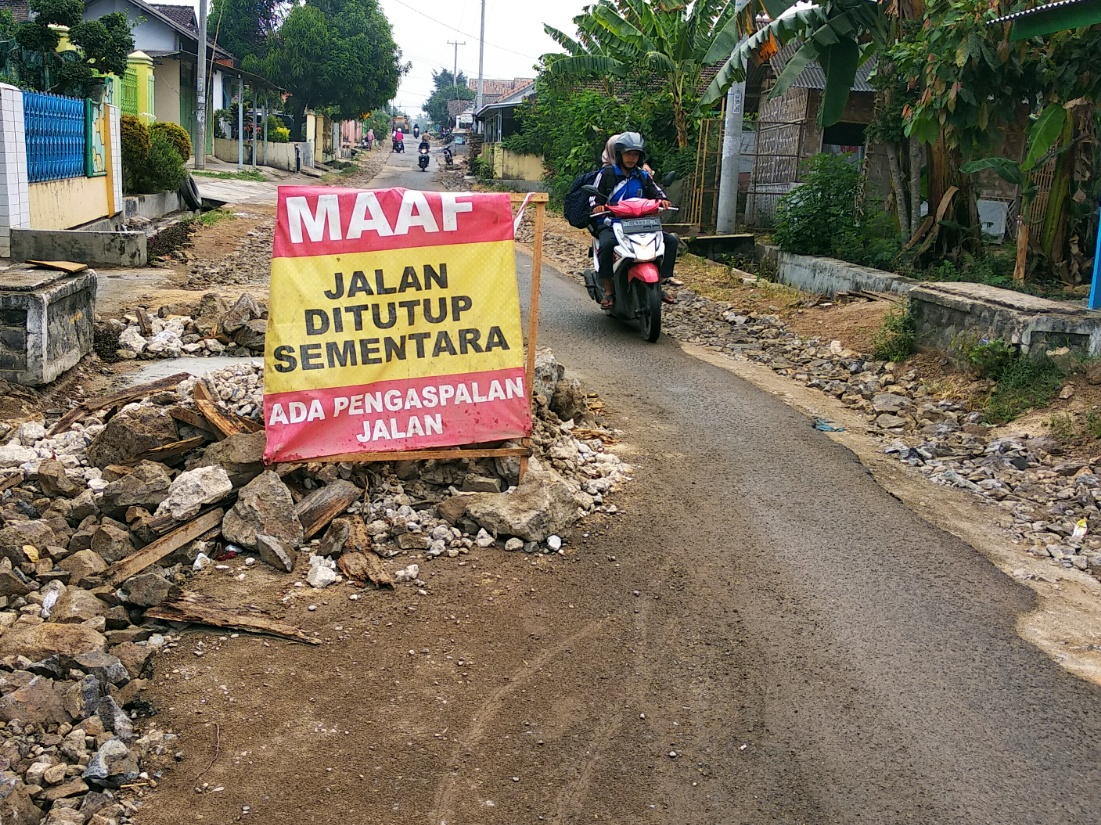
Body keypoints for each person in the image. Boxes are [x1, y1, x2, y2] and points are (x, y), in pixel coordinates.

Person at [590, 132, 679, 308]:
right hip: (612, 223)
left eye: (635, 154)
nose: (631, 158)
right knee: (607, 246)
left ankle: (658, 284)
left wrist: (663, 199)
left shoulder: (642, 175)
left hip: (641, 224)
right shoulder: (607, 174)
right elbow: (594, 198)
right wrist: (598, 207)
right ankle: (608, 290)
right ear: (619, 154)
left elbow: (656, 192)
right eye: (628, 154)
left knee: (671, 242)